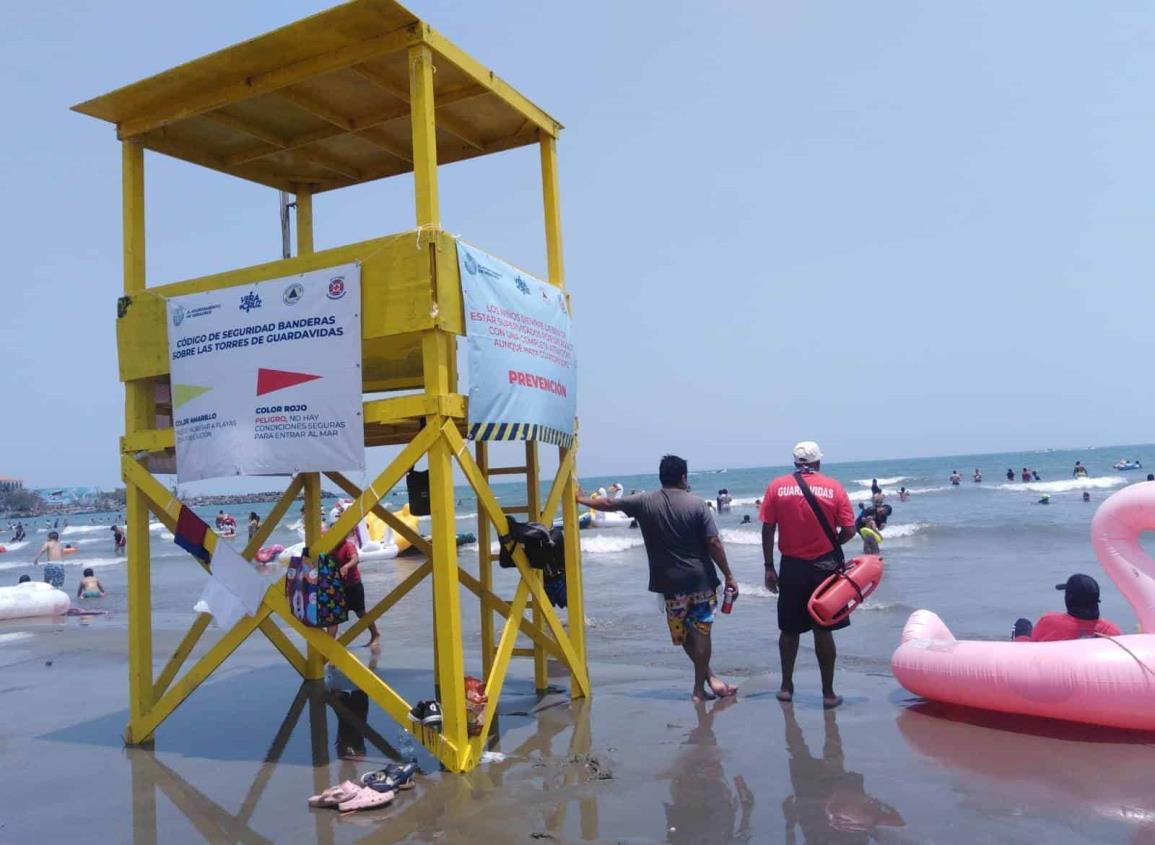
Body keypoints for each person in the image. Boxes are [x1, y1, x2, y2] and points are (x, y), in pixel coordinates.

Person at [578, 454, 739, 702]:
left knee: (685, 634)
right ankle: (701, 687)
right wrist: (729, 575)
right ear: (684, 477)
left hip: (669, 584)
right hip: (701, 581)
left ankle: (708, 681)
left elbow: (609, 504)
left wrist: (580, 498)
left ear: (661, 477)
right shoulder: (696, 504)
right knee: (701, 632)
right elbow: (713, 542)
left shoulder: (644, 501)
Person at [761, 441, 855, 708]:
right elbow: (849, 530)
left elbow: (768, 529)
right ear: (818, 463)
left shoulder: (776, 487)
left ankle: (786, 687)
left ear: (795, 462)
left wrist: (769, 566)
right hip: (825, 568)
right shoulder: (834, 487)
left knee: (789, 630)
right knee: (823, 629)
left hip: (791, 566)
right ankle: (828, 694)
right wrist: (831, 544)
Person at [1013, 574, 1121, 642]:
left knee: (1022, 624)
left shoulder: (1049, 622)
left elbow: (1032, 648)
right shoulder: (1110, 631)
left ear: (1068, 599)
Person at [328, 531, 381, 651]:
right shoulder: (331, 548)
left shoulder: (348, 545)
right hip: (337, 587)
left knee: (360, 613)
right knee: (333, 617)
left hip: (353, 585)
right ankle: (330, 646)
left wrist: (346, 566)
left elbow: (356, 559)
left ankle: (375, 634)